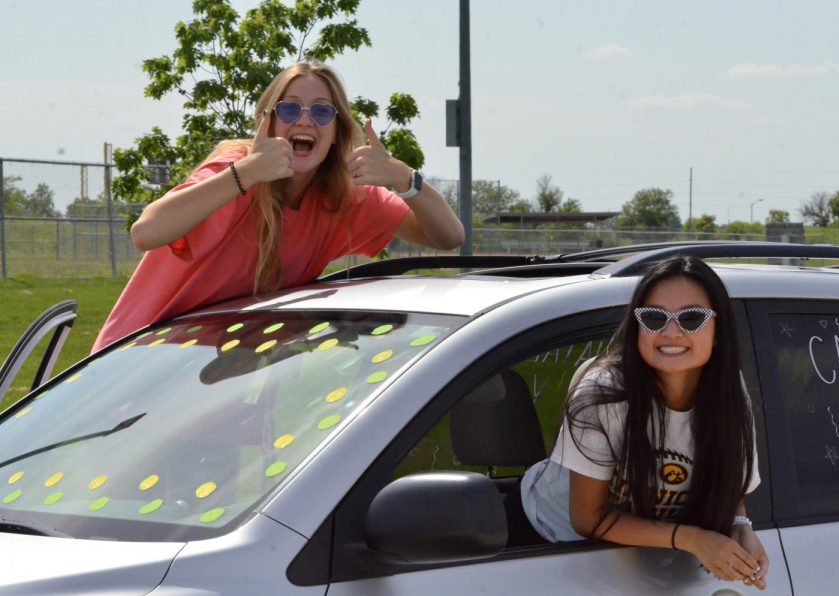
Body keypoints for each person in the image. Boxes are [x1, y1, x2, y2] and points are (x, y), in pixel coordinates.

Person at [93, 61, 463, 352]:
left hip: (218, 379)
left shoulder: (342, 197)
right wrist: (247, 173)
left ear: (336, 134)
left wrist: (404, 178)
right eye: (289, 110)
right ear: (267, 122)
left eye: (321, 113)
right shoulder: (234, 171)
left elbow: (448, 236)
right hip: (137, 362)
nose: (304, 120)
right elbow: (145, 232)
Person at [520, 256, 769, 590]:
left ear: (718, 330)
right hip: (552, 543)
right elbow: (588, 519)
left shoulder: (729, 393)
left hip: (654, 552)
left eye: (691, 318)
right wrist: (694, 539)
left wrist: (740, 525)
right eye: (653, 318)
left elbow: (728, 479)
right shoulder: (603, 395)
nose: (670, 331)